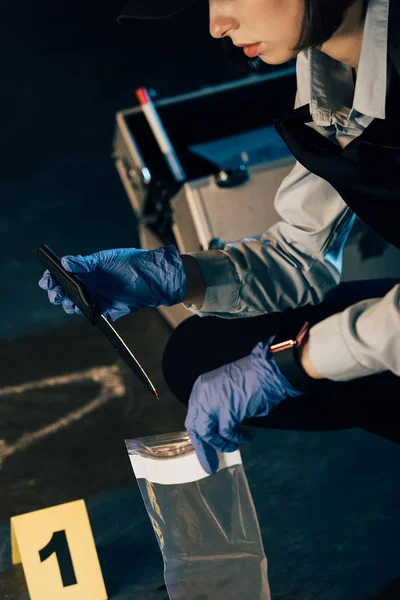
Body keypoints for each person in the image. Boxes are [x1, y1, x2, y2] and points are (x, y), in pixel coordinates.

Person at [39, 0, 400, 475]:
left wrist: (296, 363)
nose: (216, 25)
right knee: (201, 355)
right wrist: (176, 275)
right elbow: (301, 254)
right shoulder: (329, 70)